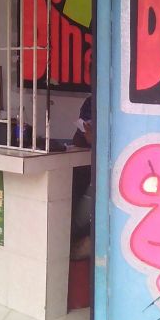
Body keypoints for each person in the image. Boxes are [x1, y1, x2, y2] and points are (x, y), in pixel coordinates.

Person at [70, 96, 93, 260]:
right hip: (81, 170)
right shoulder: (90, 101)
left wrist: (92, 139)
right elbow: (78, 137)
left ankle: (82, 242)